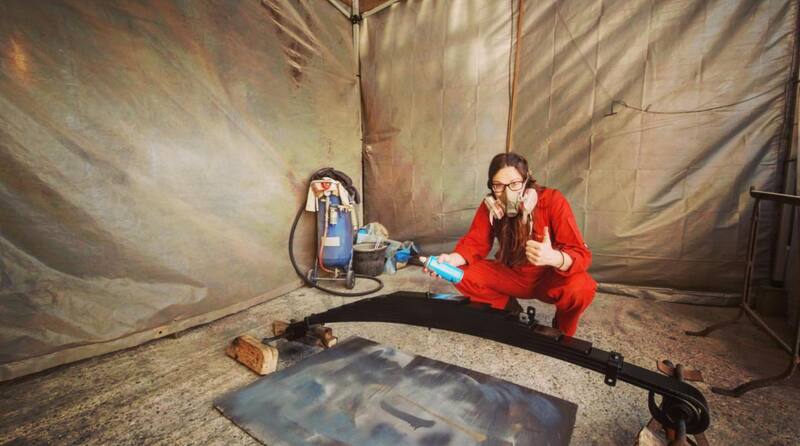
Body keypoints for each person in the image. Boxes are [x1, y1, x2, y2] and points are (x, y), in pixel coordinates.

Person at [426, 152, 596, 336]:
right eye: (498, 186)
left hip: (548, 279)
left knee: (582, 287)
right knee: (459, 274)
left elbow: (581, 255)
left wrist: (554, 257)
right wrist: (450, 260)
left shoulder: (553, 201)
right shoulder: (490, 207)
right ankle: (510, 311)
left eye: (515, 184)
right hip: (511, 275)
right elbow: (474, 243)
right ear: (491, 186)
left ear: (527, 180)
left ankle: (562, 327)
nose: (508, 194)